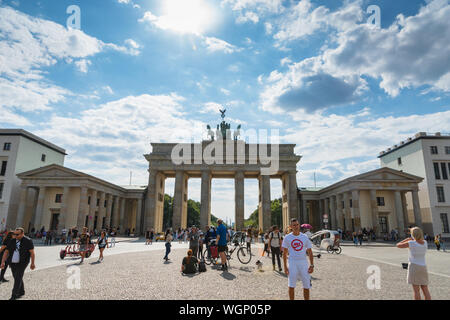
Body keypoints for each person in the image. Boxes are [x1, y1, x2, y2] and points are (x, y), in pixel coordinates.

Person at [282, 218, 314, 301]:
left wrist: (312, 265)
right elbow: (284, 253)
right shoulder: (287, 237)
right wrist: (285, 267)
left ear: (299, 225)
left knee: (306, 286)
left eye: (297, 224)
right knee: (291, 285)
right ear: (290, 226)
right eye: (294, 225)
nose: (296, 226)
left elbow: (310, 252)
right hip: (292, 263)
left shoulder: (304, 237)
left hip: (303, 263)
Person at [0, 228, 36, 300]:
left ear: (22, 234)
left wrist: (32, 263)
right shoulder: (12, 241)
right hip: (12, 262)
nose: (15, 236)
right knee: (16, 277)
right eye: (14, 234)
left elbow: (32, 253)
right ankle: (22, 291)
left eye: (17, 234)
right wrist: (2, 262)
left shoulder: (28, 241)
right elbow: (6, 252)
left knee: (18, 277)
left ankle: (14, 295)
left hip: (23, 262)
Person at [396, 227, 431, 300]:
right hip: (423, 267)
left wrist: (407, 239)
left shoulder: (411, 243)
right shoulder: (425, 242)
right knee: (425, 289)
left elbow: (398, 245)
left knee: (416, 290)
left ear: (413, 235)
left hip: (414, 266)